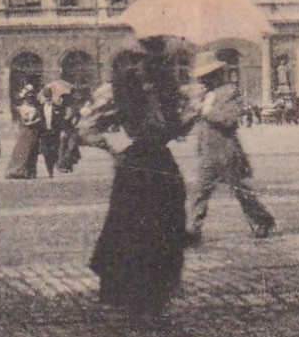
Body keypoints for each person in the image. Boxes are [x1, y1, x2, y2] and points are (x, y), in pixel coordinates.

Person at [79, 32, 188, 317]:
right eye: (139, 59)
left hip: (161, 164)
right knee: (129, 227)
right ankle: (123, 292)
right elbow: (87, 127)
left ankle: (156, 291)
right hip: (135, 166)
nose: (143, 66)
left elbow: (173, 128)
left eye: (152, 60)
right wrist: (116, 147)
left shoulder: (166, 89)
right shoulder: (119, 89)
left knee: (166, 224)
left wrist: (186, 119)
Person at [185, 52, 275, 245]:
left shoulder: (229, 92)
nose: (203, 80)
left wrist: (204, 111)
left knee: (242, 191)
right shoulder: (204, 96)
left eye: (206, 76)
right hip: (208, 154)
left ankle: (262, 221)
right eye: (201, 77)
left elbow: (229, 119)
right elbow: (194, 121)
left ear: (216, 74)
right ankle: (192, 230)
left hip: (228, 152)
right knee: (199, 191)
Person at [5, 86, 43, 179]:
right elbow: (27, 122)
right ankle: (20, 171)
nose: (31, 99)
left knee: (33, 151)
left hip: (34, 132)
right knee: (24, 151)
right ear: (25, 98)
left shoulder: (34, 107)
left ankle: (31, 172)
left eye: (32, 97)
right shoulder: (23, 108)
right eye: (29, 97)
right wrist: (38, 120)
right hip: (27, 131)